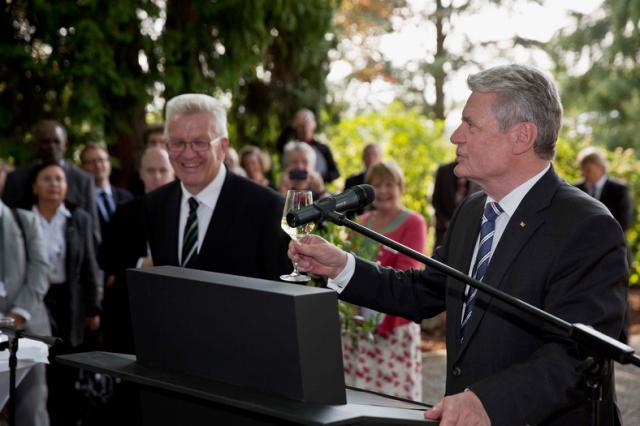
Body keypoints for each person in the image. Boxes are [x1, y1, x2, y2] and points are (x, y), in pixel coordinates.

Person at [288, 64, 628, 425]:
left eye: (470, 125)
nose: (455, 136)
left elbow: (577, 357)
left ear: (521, 136)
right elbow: (424, 291)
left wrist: (488, 402)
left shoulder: (588, 227)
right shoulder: (472, 210)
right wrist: (342, 266)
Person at [143, 93, 291, 280]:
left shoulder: (267, 208)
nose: (188, 154)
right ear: (167, 146)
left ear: (222, 147)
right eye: (178, 143)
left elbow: (285, 291)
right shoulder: (155, 204)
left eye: (199, 143)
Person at [342, 160, 426, 401]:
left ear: (400, 187)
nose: (383, 191)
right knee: (358, 395)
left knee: (393, 399)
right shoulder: (360, 222)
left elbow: (407, 272)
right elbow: (345, 267)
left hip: (393, 326)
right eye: (376, 185)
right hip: (359, 326)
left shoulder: (413, 222)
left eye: (389, 184)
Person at [30, 162, 100, 426]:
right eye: (47, 179)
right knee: (38, 369)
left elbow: (89, 266)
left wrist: (93, 308)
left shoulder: (79, 219)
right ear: (35, 187)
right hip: (35, 302)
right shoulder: (23, 219)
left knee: (66, 371)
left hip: (69, 303)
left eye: (59, 179)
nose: (53, 184)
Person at [99, 146, 175, 353]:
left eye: (163, 170)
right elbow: (106, 256)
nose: (157, 176)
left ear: (174, 172)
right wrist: (141, 263)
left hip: (176, 305)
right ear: (141, 173)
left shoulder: (188, 211)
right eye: (151, 170)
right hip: (130, 308)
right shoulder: (125, 211)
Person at [2, 120, 101, 244]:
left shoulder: (83, 180)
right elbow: (7, 226)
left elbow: (93, 230)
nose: (51, 146)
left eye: (56, 141)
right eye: (46, 142)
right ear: (35, 145)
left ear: (65, 145)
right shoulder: (16, 179)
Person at [575, 145, 633, 343]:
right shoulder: (576, 190)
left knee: (616, 298)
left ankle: (621, 344)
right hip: (583, 256)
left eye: (588, 169)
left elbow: (623, 222)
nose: (584, 173)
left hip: (613, 253)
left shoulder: (619, 190)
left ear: (599, 167)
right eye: (582, 169)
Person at [1, 200, 51, 426]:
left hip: (26, 326)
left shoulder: (25, 220)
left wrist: (18, 314)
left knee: (32, 408)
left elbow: (40, 269)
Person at [80, 143, 134, 238]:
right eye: (91, 162)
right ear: (82, 167)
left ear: (109, 164)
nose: (98, 165)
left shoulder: (127, 197)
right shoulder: (81, 202)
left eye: (101, 160)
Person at [278, 109, 340, 184]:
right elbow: (279, 146)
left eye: (307, 123)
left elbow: (335, 173)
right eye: (301, 125)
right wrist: (292, 125)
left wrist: (318, 177)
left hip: (317, 188)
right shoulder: (291, 148)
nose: (304, 127)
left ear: (314, 124)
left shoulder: (322, 148)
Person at [431, 161, 480, 249]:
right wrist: (445, 222)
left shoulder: (478, 172)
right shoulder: (444, 171)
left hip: (467, 232)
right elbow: (436, 200)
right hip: (443, 231)